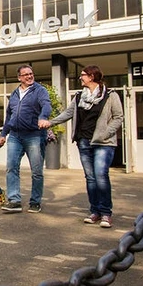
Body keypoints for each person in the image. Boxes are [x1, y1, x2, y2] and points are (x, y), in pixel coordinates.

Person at [42, 65, 124, 228]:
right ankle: (95, 211)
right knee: (91, 178)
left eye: (83, 75)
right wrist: (50, 122)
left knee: (101, 175)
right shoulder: (79, 97)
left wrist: (106, 133)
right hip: (84, 142)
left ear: (92, 77)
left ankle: (106, 213)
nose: (80, 78)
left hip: (103, 142)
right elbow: (67, 113)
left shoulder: (110, 95)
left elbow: (118, 117)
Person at [0, 65, 51, 214]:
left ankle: (35, 202)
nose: (29, 76)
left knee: (36, 171)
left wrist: (43, 117)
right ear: (19, 77)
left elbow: (46, 105)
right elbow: (9, 116)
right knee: (11, 167)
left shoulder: (40, 90)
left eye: (31, 74)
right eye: (25, 74)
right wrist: (3, 134)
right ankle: (14, 201)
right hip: (15, 135)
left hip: (34, 135)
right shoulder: (14, 93)